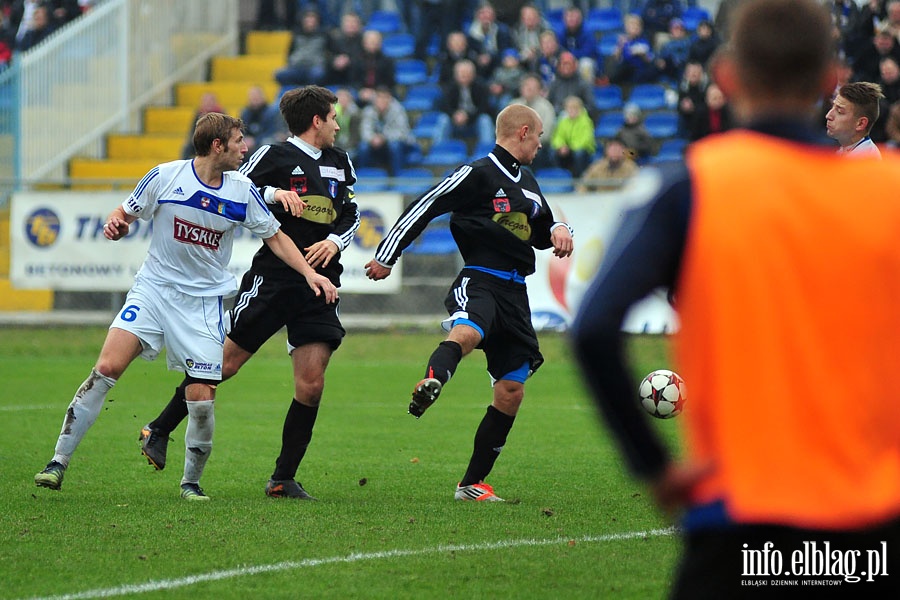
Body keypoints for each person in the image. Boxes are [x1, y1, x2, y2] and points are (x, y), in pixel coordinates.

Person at [571, 1, 900, 596]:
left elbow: (593, 329)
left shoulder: (691, 185)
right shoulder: (889, 191)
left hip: (743, 519)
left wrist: (654, 467)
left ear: (725, 77)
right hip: (875, 525)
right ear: (829, 81)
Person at [34, 112, 337, 501]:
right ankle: (57, 462)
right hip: (154, 291)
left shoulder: (241, 190)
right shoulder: (165, 176)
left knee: (202, 398)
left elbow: (275, 238)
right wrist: (117, 224)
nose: (245, 147)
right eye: (239, 140)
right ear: (217, 146)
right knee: (106, 367)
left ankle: (190, 484)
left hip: (203, 305)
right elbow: (124, 212)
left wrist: (310, 275)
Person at [138, 86, 360, 501]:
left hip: (322, 282)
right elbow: (236, 189)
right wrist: (275, 194)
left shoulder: (340, 161)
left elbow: (352, 212)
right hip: (274, 279)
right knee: (224, 363)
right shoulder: (271, 157)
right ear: (316, 120)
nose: (337, 124)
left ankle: (282, 478)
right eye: (333, 117)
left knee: (311, 385)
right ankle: (160, 427)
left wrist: (336, 241)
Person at [364, 104, 574, 502]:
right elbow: (426, 205)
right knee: (468, 332)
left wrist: (562, 227)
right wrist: (386, 255)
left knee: (512, 389)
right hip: (479, 280)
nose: (542, 144)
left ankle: (470, 484)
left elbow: (545, 230)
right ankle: (433, 381)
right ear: (524, 132)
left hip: (516, 294)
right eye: (540, 136)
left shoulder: (527, 180)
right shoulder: (477, 173)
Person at [356, 86, 414, 176]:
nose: (381, 101)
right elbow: (364, 130)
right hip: (376, 144)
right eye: (379, 97)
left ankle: (397, 178)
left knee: (395, 146)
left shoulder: (398, 109)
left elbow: (402, 132)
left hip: (399, 143)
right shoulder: (369, 110)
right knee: (363, 147)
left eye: (384, 98)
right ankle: (363, 178)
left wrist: (383, 137)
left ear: (389, 98)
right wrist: (372, 138)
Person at [825, 81, 884, 157]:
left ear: (860, 124)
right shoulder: (845, 148)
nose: (828, 116)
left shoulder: (865, 161)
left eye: (839, 112)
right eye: (832, 107)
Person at [550, 95, 596, 177]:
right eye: (569, 108)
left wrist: (570, 148)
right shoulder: (563, 121)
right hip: (567, 149)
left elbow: (585, 139)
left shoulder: (586, 122)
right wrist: (561, 146)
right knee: (553, 152)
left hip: (583, 150)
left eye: (574, 108)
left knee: (579, 154)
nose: (571, 111)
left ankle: (578, 177)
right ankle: (559, 176)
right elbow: (558, 136)